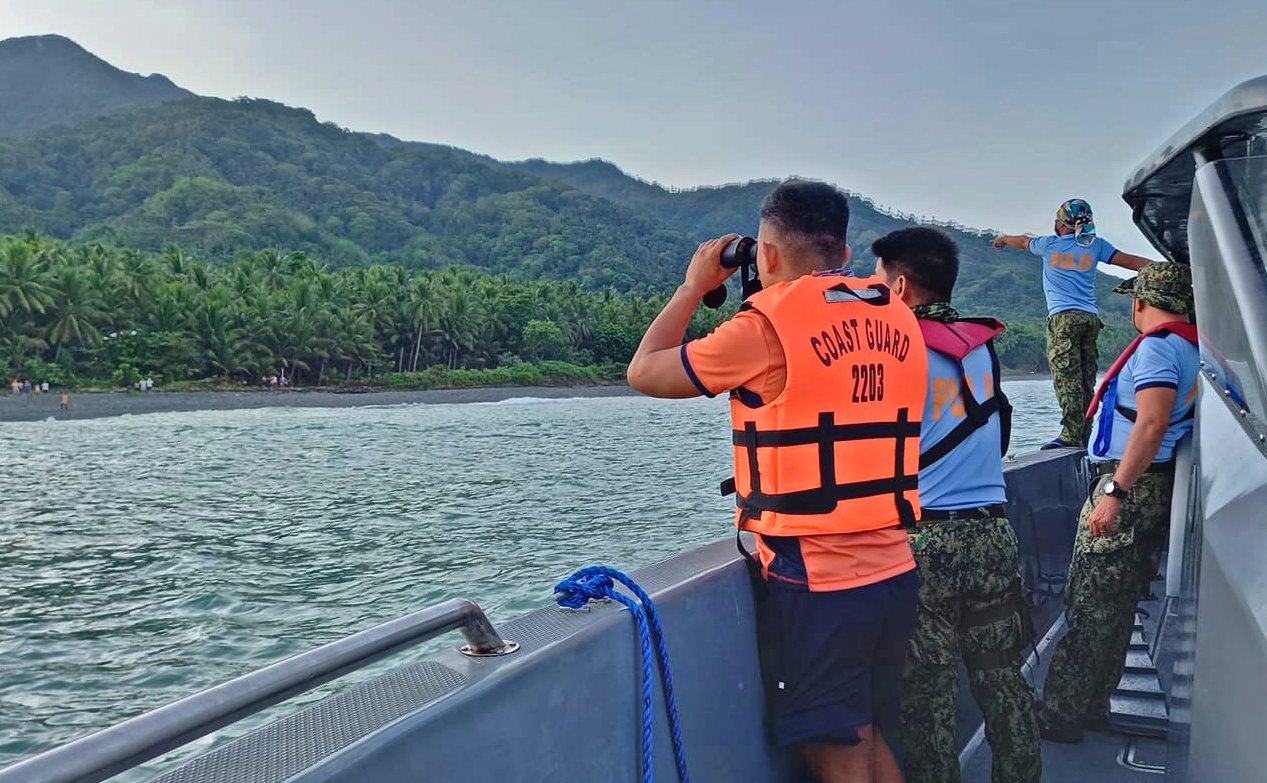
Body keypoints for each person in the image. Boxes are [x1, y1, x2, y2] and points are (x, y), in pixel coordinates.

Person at [627, 180, 926, 783]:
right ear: (844, 252)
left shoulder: (765, 329)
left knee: (834, 749)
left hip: (818, 578)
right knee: (868, 731)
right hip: (895, 568)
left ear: (765, 253)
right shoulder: (895, 315)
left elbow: (645, 371)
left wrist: (693, 287)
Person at [873, 227, 1041, 783]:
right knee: (1003, 678)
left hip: (929, 543)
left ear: (900, 287)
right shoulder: (980, 348)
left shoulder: (896, 349)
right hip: (992, 531)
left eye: (877, 278)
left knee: (929, 695)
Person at [1036, 262, 1198, 743]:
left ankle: (1061, 714)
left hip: (1129, 487)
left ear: (1140, 303)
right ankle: (1092, 706)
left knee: (1089, 606)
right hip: (1154, 487)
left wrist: (1115, 493)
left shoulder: (1157, 348)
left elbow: (1151, 423)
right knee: (1117, 606)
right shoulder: (1191, 348)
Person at [992, 199, 1154, 449]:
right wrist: (1167, 268)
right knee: (1086, 378)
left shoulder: (1049, 244)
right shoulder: (1096, 246)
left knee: (1067, 377)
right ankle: (1085, 433)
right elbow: (1130, 262)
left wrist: (1003, 239)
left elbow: (1023, 241)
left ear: (1061, 223)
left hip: (1063, 318)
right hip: (1090, 319)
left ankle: (1071, 435)